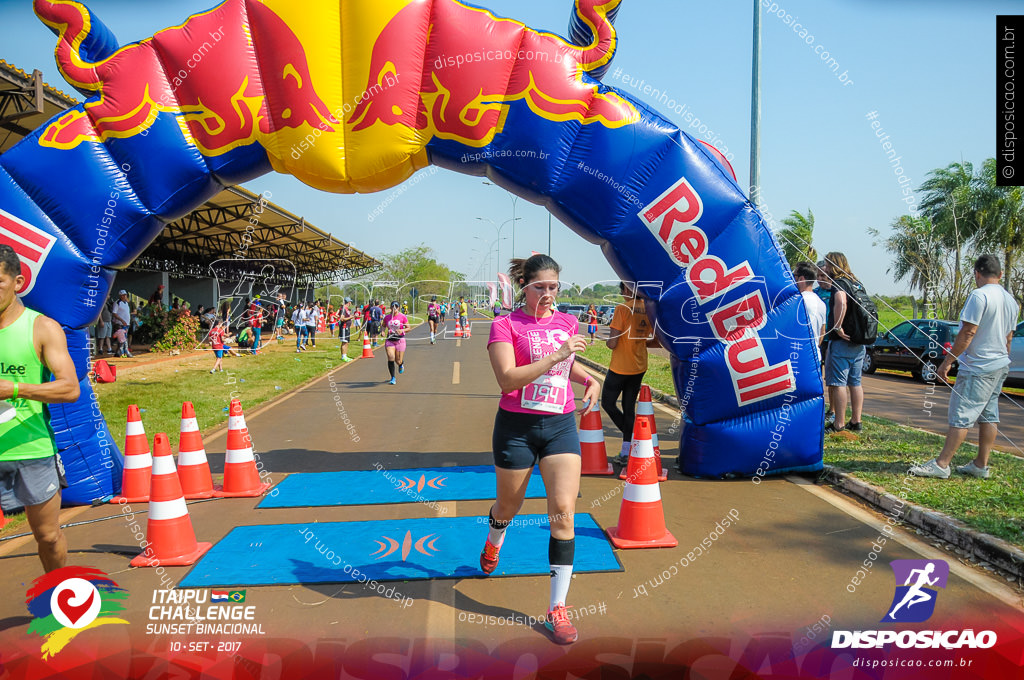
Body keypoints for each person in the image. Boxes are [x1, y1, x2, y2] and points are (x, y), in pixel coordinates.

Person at [482, 254, 600, 645]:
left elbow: (566, 367)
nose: (548, 294)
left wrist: (591, 379)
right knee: (508, 507)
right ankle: (494, 539)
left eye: (553, 287)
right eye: (540, 288)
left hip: (560, 425)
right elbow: (507, 379)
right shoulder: (505, 325)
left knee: (563, 514)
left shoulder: (568, 322)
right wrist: (559, 354)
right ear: (524, 288)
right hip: (516, 428)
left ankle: (557, 608)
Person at [0, 245, 80, 573]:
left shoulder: (42, 328)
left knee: (47, 536)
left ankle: (59, 596)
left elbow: (70, 388)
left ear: (18, 282)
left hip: (31, 450)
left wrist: (15, 389)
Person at [909, 255, 1020, 479]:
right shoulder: (1011, 301)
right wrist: (1001, 360)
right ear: (999, 274)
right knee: (989, 415)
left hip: (978, 367)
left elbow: (968, 332)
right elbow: (1009, 337)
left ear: (977, 274)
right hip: (999, 364)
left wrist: (947, 362)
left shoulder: (979, 296)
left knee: (961, 416)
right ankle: (980, 465)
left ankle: (942, 464)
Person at [603, 282, 659, 465]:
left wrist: (608, 341)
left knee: (608, 403)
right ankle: (627, 450)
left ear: (627, 289)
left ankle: (633, 436)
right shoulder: (649, 308)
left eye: (622, 291)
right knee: (629, 408)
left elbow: (612, 343)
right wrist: (639, 342)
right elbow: (656, 341)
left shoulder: (622, 308)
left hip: (620, 366)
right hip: (639, 366)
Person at [822, 252, 866, 434]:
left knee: (839, 383)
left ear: (833, 265)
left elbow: (841, 301)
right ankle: (856, 421)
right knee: (855, 383)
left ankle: (838, 424)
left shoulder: (839, 283)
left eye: (826, 265)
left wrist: (838, 326)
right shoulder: (857, 283)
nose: (824, 269)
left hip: (842, 341)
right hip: (859, 340)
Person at [794, 262, 827, 363]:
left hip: (798, 356)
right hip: (814, 355)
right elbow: (822, 332)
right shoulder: (821, 303)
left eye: (794, 275)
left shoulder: (797, 300)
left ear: (801, 279)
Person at [382, 301, 409, 385]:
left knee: (398, 360)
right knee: (391, 357)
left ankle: (401, 364)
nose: (394, 309)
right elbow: (383, 325)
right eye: (393, 307)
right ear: (390, 308)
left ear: (398, 308)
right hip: (390, 340)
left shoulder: (402, 317)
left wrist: (402, 330)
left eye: (396, 307)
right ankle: (393, 377)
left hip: (400, 340)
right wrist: (382, 331)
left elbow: (408, 327)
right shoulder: (387, 317)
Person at [338, 297, 355, 362]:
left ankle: (345, 355)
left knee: (347, 342)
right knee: (344, 342)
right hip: (344, 327)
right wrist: (351, 317)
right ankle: (343, 356)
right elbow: (342, 319)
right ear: (348, 302)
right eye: (350, 302)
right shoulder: (343, 309)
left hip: (347, 327)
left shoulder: (346, 309)